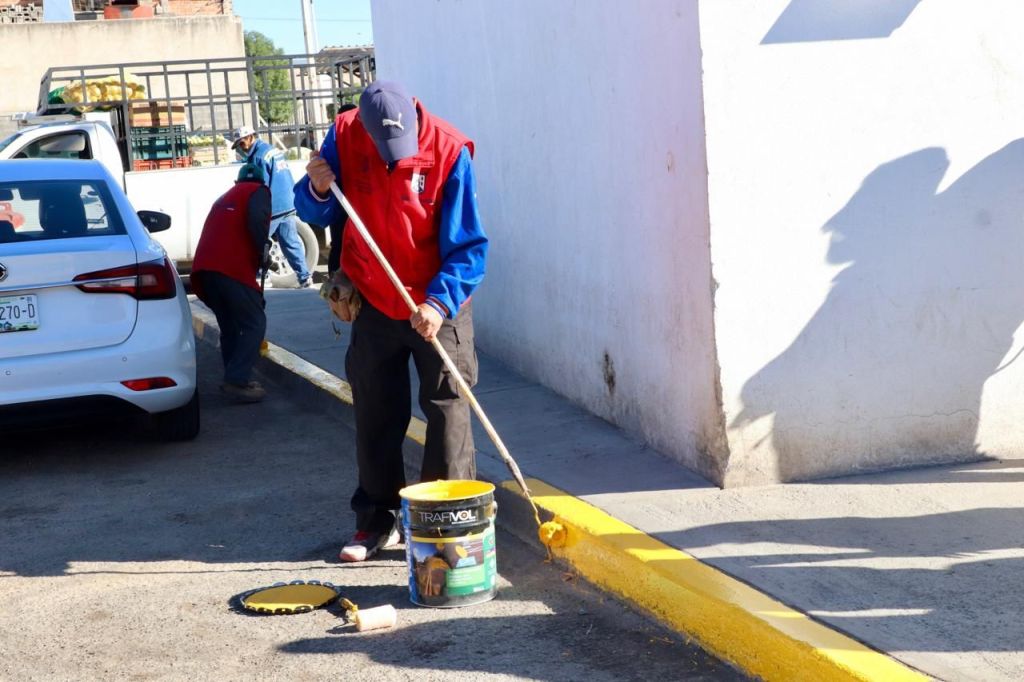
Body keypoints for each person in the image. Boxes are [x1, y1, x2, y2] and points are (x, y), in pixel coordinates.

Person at [295, 81, 489, 562]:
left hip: (437, 301)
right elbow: (314, 207)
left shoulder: (448, 151)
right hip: (375, 297)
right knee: (376, 410)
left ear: (416, 122)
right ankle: (377, 520)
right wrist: (317, 187)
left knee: (447, 410)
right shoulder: (343, 135)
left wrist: (438, 304)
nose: (391, 156)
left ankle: (442, 526)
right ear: (362, 127)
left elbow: (468, 248)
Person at [191, 164, 272, 403]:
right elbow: (257, 219)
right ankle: (237, 380)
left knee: (230, 325)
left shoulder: (225, 196)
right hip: (229, 268)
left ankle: (234, 378)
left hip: (205, 270)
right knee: (254, 323)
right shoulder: (259, 191)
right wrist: (263, 250)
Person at [230, 125, 312, 288]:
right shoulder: (270, 150)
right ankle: (304, 278)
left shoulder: (258, 157)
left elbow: (259, 186)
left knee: (257, 240)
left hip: (274, 205)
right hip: (288, 201)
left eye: (242, 143)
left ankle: (262, 274)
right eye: (238, 145)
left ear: (250, 137)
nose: (241, 148)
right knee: (290, 242)